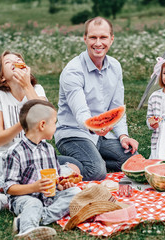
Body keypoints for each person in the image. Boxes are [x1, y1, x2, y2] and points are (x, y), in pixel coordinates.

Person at [0, 50, 77, 212]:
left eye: (18, 60)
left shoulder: (36, 89)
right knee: (47, 179)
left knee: (73, 169)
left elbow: (48, 119)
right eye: (8, 62)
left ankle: (5, 197)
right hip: (8, 159)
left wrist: (27, 86)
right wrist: (23, 121)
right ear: (2, 77)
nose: (15, 62)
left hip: (38, 157)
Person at [55, 16, 138, 181]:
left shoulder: (115, 66)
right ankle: (48, 162)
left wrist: (123, 136)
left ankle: (88, 159)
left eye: (103, 37)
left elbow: (117, 108)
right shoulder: (73, 71)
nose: (98, 43)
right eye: (93, 37)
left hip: (102, 136)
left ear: (111, 39)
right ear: (85, 39)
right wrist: (94, 127)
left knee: (134, 161)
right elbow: (81, 113)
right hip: (73, 134)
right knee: (96, 172)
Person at [3, 99, 81, 238]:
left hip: (49, 197)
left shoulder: (49, 149)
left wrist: (63, 186)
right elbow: (9, 188)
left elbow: (56, 180)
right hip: (24, 198)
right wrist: (34, 188)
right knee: (34, 203)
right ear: (42, 125)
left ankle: (31, 218)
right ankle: (27, 230)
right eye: (54, 122)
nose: (56, 126)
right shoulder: (16, 152)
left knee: (76, 192)